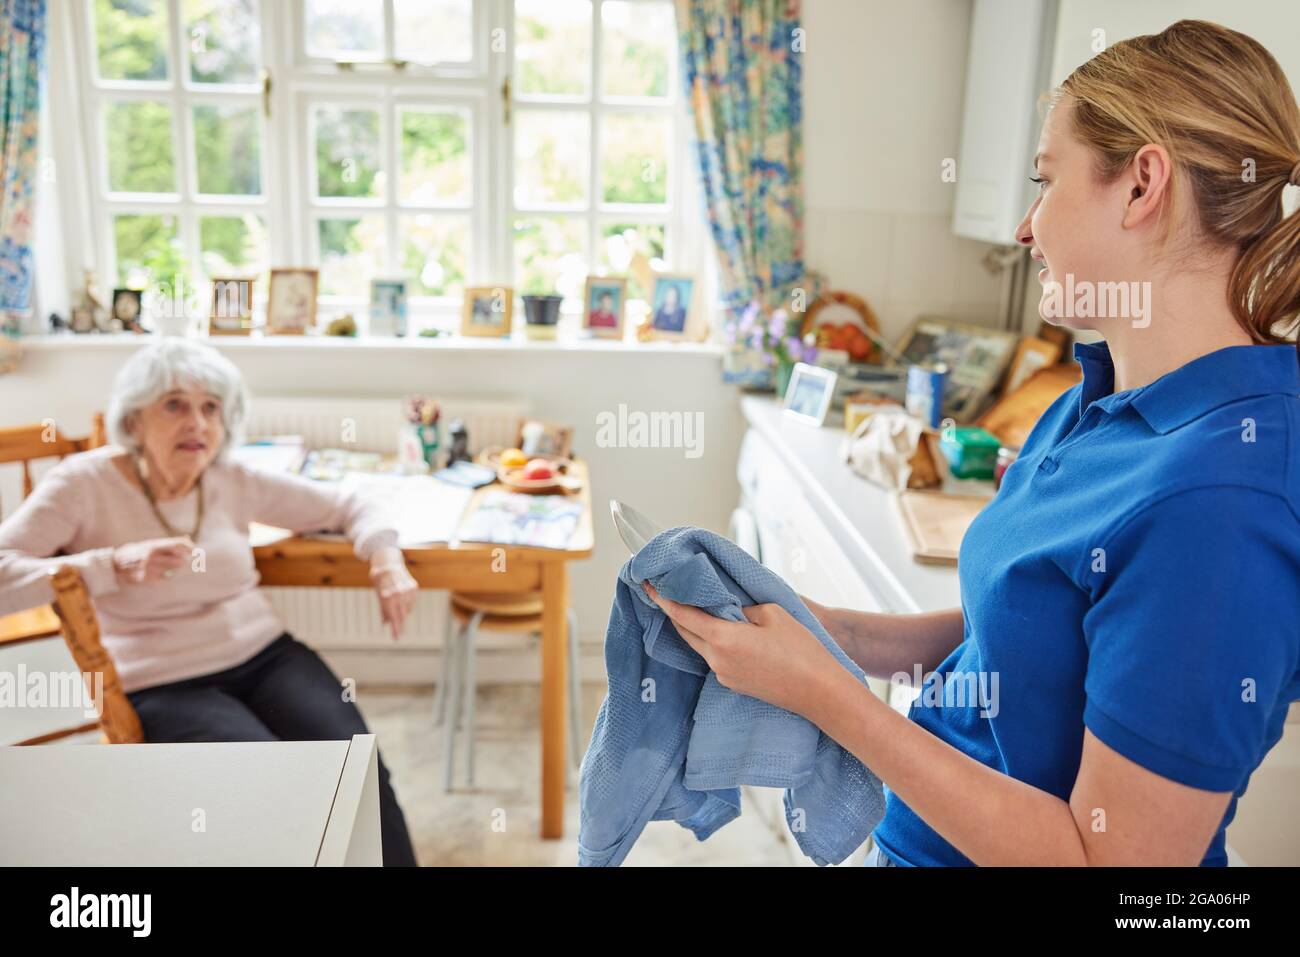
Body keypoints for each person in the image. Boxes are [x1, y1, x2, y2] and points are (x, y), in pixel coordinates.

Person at [644, 19, 1300, 866]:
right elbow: (1024, 631)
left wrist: (821, 691)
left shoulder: (1223, 502)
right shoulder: (1095, 399)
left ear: (1142, 186)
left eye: (1045, 180)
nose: (1026, 228)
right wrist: (825, 632)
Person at [0, 339, 421, 866]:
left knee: (357, 769)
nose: (197, 423)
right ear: (133, 421)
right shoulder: (83, 485)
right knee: (271, 791)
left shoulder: (230, 479)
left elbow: (354, 502)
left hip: (266, 657)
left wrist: (386, 561)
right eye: (174, 405)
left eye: (211, 408)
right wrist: (110, 565)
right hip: (163, 681)